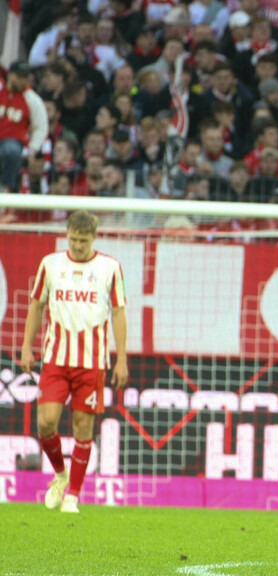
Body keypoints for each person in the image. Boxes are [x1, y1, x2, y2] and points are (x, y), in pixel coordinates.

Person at [19, 211, 128, 514]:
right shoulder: (50, 264)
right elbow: (36, 306)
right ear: (66, 234)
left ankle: (73, 496)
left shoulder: (109, 268)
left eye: (83, 240)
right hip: (55, 360)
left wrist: (121, 359)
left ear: (94, 237)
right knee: (45, 422)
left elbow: (119, 313)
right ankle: (60, 474)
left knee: (83, 426)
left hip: (92, 363)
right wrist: (27, 347)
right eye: (73, 239)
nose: (78, 245)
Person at [0, 60, 49, 193]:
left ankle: (4, 188)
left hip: (12, 140)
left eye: (25, 77)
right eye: (19, 76)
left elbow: (41, 127)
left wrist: (33, 149)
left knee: (11, 151)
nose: (22, 81)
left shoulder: (32, 99)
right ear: (10, 75)